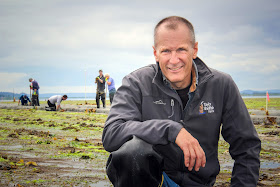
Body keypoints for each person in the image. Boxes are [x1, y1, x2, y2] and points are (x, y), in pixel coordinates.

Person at [102, 16, 261, 186]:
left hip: (199, 183)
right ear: (155, 53)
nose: (174, 59)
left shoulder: (221, 84)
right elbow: (112, 133)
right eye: (166, 51)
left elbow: (247, 146)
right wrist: (171, 130)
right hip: (157, 180)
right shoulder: (137, 83)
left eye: (181, 50)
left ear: (195, 49)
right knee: (131, 152)